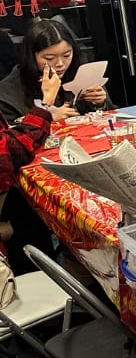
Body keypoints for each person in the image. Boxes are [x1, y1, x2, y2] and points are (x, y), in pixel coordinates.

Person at [0, 64, 61, 273]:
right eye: (50, 58)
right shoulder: (13, 86)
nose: (59, 63)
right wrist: (46, 104)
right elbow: (11, 151)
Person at [0, 20, 112, 124]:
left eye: (66, 55)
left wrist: (100, 104)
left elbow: (111, 118)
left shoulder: (81, 73)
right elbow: (10, 134)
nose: (60, 64)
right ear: (31, 57)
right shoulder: (9, 91)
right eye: (50, 58)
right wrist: (48, 117)